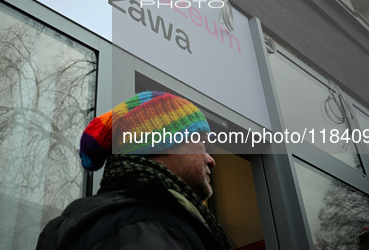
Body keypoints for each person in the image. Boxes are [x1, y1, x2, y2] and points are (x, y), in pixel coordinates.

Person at [36, 91, 231, 250]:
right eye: (202, 144)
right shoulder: (144, 226)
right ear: (162, 141)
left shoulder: (128, 222)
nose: (211, 160)